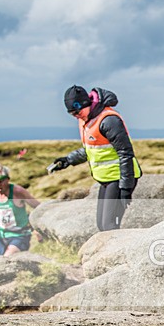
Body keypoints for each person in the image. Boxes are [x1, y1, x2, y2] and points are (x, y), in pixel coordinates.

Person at [50, 85, 141, 231]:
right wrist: (68, 160)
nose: (76, 116)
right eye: (72, 114)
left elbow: (126, 153)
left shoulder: (108, 120)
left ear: (86, 104)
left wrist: (126, 187)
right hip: (106, 179)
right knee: (102, 225)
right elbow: (92, 149)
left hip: (119, 177)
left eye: (77, 111)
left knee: (109, 225)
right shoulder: (86, 120)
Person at [0, 163, 41, 256]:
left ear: (8, 179)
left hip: (21, 235)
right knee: (3, 263)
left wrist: (39, 230)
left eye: (1, 181)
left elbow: (39, 208)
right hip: (3, 237)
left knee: (7, 258)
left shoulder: (18, 192)